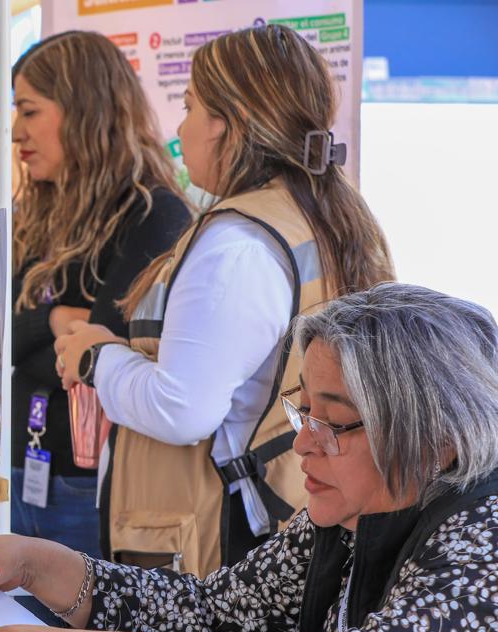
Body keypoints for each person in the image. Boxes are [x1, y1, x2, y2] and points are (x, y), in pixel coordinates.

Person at [0, 283, 498, 632]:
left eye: (335, 423)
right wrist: (35, 564)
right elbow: (213, 614)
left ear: (437, 441)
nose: (302, 445)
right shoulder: (345, 519)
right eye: (304, 413)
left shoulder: (483, 535)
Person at [55, 24, 394, 574]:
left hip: (219, 538)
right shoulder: (315, 216)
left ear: (229, 125)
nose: (180, 128)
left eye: (189, 108)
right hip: (273, 525)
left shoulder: (237, 244)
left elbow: (184, 407)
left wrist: (97, 357)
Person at [0, 31, 191, 554]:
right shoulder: (31, 219)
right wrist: (55, 320)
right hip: (16, 474)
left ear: (84, 109)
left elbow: (95, 358)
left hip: (94, 489)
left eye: (29, 110)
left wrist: (29, 333)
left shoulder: (151, 213)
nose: (15, 132)